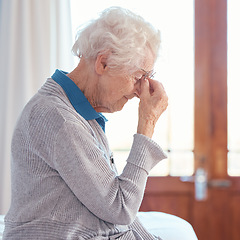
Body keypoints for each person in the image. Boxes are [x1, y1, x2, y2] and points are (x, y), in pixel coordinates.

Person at [3, 6, 197, 240]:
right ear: (103, 63)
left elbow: (114, 214)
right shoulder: (60, 119)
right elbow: (121, 209)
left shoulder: (78, 112)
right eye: (138, 78)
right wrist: (147, 122)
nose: (140, 92)